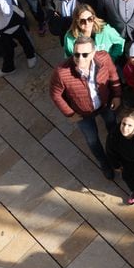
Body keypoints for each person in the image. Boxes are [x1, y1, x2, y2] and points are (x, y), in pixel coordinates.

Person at [49, 37, 123, 178]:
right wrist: (70, 113)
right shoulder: (62, 72)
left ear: (93, 52)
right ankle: (104, 163)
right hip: (82, 112)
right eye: (76, 54)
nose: (80, 58)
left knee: (113, 130)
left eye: (85, 54)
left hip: (105, 104)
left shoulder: (104, 58)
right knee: (92, 140)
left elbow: (113, 75)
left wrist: (117, 95)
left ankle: (116, 156)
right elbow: (55, 94)